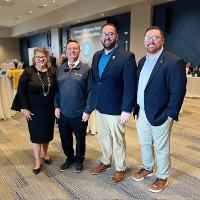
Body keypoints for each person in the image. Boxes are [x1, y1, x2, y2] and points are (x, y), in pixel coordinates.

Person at [132, 26, 187, 192]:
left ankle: (162, 176)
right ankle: (147, 167)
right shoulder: (142, 61)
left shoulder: (174, 61)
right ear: (144, 41)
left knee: (161, 148)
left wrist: (170, 114)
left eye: (155, 38)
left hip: (161, 113)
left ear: (162, 40)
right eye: (148, 38)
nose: (151, 41)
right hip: (141, 111)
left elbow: (178, 91)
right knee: (145, 143)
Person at [89, 23, 137, 184]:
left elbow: (130, 85)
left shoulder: (127, 56)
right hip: (101, 107)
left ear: (117, 36)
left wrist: (126, 109)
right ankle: (105, 161)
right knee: (103, 138)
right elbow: (96, 82)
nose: (107, 37)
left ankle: (120, 168)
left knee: (118, 140)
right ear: (101, 36)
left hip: (117, 109)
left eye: (110, 34)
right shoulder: (96, 55)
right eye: (104, 34)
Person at [12, 48, 57, 175]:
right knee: (36, 136)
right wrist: (24, 108)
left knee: (47, 134)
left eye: (43, 56)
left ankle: (46, 154)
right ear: (34, 58)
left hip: (48, 109)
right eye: (38, 57)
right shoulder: (28, 71)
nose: (41, 59)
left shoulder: (51, 71)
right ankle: (37, 161)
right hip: (33, 111)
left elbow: (55, 89)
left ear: (46, 57)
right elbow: (20, 91)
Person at [55, 39, 90, 173]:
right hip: (63, 112)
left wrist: (87, 110)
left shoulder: (86, 68)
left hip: (79, 113)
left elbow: (91, 90)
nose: (72, 51)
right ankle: (69, 158)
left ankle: (79, 160)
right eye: (70, 48)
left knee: (80, 139)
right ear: (66, 51)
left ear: (79, 51)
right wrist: (57, 106)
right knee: (65, 139)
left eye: (75, 48)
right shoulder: (60, 69)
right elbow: (56, 90)